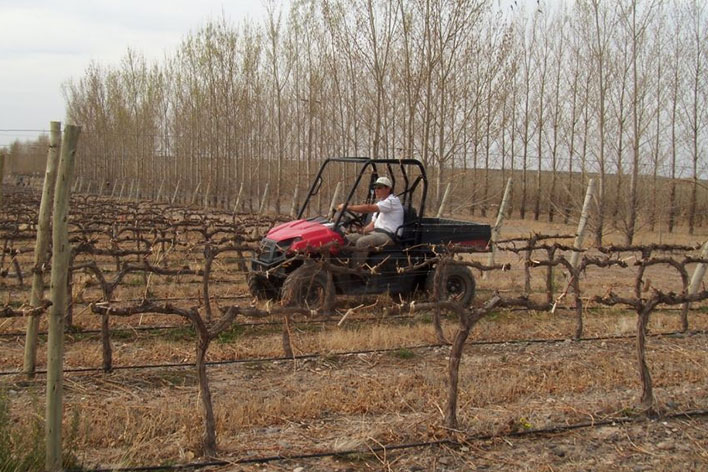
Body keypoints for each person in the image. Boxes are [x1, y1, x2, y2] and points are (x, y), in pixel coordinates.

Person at [336, 176, 404, 267]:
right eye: (375, 188)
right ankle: (341, 265)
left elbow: (369, 208)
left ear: (388, 189)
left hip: (389, 236)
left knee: (362, 242)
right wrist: (361, 230)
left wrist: (348, 207)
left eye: (379, 187)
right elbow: (372, 226)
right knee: (347, 238)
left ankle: (356, 271)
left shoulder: (392, 201)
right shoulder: (381, 203)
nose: (376, 190)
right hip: (376, 233)